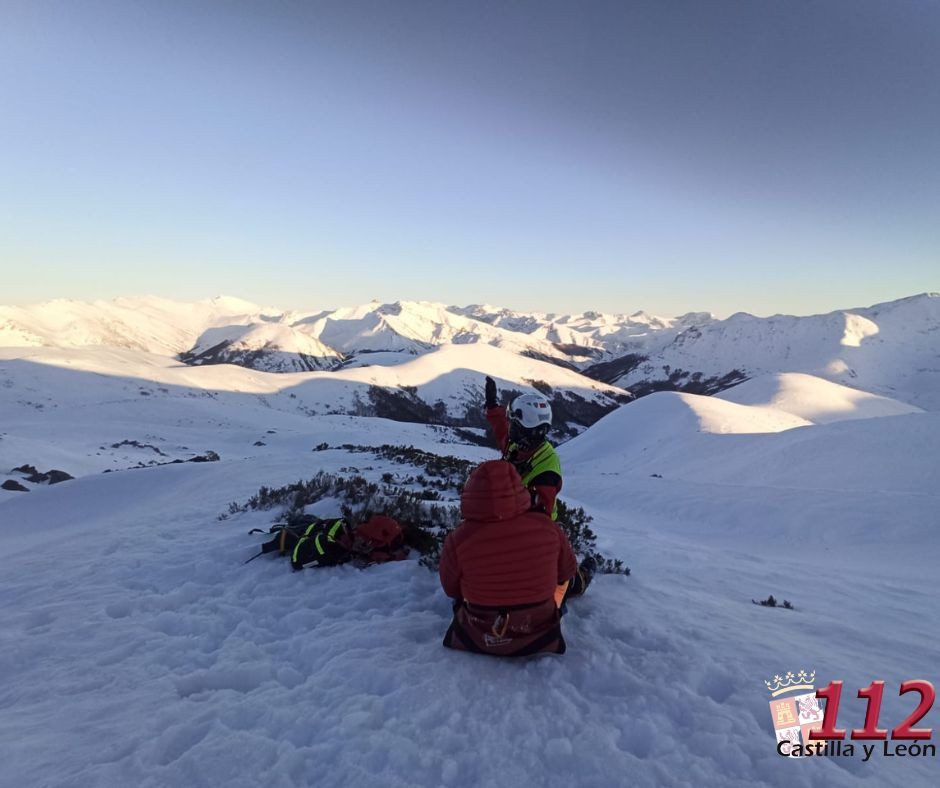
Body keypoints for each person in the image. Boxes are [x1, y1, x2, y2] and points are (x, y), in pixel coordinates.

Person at [439, 460, 590, 657]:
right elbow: (566, 572)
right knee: (565, 582)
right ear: (519, 490)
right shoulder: (548, 527)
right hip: (538, 629)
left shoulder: (458, 538)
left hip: (478, 630)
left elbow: (451, 589)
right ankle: (584, 579)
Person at [483, 376, 562, 521]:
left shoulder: (546, 472)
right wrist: (492, 405)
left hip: (531, 532)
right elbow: (502, 429)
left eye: (513, 422)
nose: (509, 425)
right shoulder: (519, 446)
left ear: (522, 428)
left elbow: (539, 521)